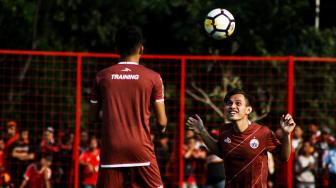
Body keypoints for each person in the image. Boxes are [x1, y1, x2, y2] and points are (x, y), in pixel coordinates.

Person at [89, 25, 167, 188]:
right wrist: (161, 131)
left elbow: (92, 118)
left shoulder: (102, 76)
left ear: (117, 48)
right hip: (141, 148)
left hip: (112, 148)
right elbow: (162, 122)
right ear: (141, 49)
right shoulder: (153, 77)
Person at [186, 88, 296, 188]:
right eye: (229, 103)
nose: (232, 106)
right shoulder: (224, 130)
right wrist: (202, 131)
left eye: (238, 103)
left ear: (248, 110)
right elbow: (222, 152)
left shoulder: (262, 132)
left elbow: (284, 157)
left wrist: (286, 135)